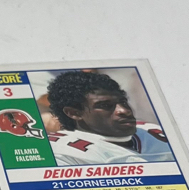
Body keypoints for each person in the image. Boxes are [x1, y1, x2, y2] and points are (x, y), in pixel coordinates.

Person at [45, 70, 175, 166]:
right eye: (105, 106)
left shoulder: (156, 132)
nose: (124, 111)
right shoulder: (59, 152)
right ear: (74, 113)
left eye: (123, 102)